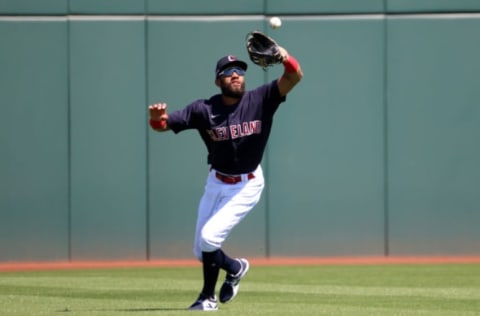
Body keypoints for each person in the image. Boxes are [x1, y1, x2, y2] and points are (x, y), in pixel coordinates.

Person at [148, 45, 303, 311]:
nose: (235, 75)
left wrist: (284, 56)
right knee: (202, 251)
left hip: (247, 184)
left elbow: (294, 77)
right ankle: (235, 267)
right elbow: (165, 124)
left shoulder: (261, 98)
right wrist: (156, 120)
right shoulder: (203, 109)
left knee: (209, 239)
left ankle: (207, 299)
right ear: (218, 80)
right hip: (216, 182)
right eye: (228, 71)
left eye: (240, 71)